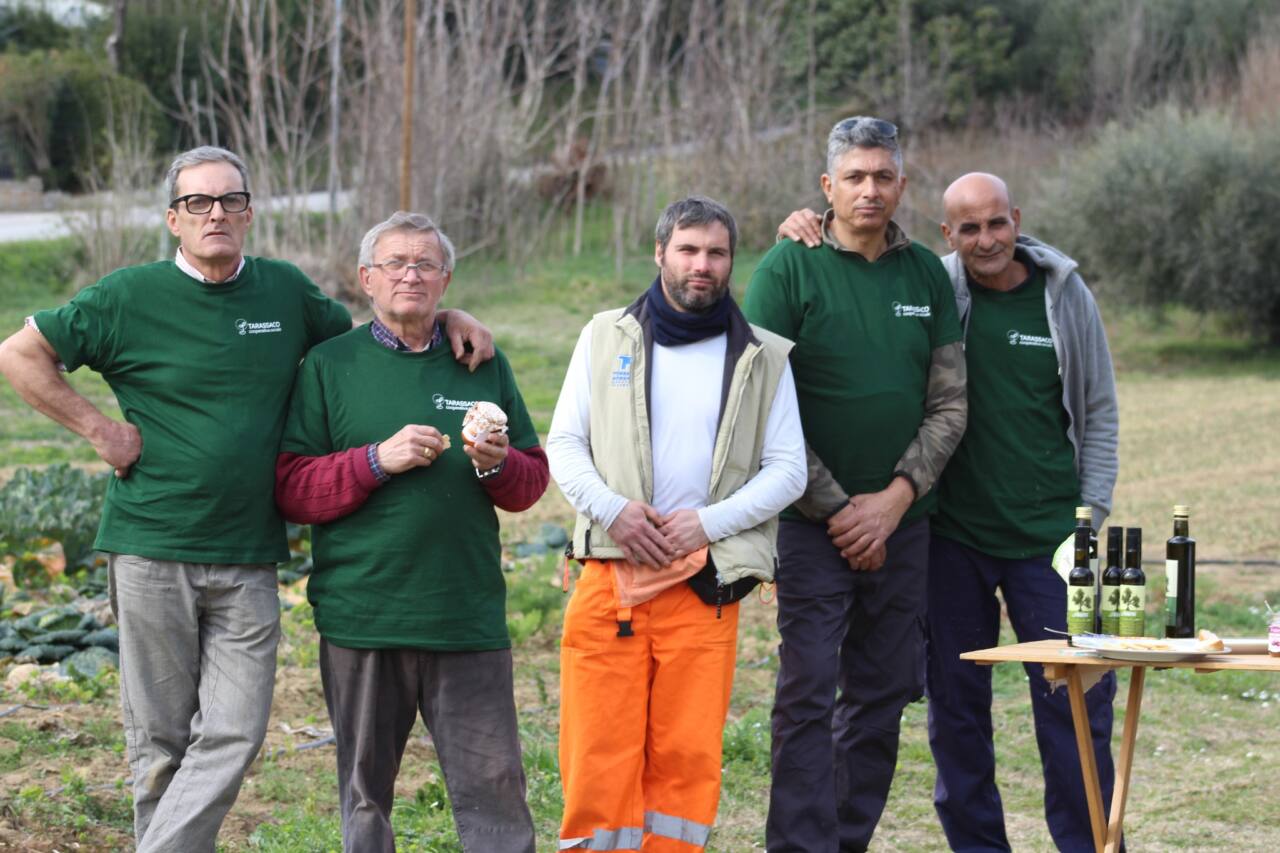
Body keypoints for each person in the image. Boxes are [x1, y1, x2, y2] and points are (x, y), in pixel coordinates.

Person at [0, 147, 493, 852]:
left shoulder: (284, 292)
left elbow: (368, 345)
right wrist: (100, 430)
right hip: (150, 546)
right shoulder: (125, 296)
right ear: (174, 219)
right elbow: (18, 353)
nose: (216, 214)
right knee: (161, 744)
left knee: (235, 730)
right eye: (198, 202)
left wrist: (445, 314)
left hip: (249, 553)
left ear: (250, 212)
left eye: (230, 200)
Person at [776, 172, 1120, 852]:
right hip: (951, 539)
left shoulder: (1063, 294)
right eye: (969, 228)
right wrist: (802, 226)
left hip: (1052, 541)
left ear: (1016, 218)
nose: (986, 239)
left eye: (996, 223)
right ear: (947, 235)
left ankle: (1092, 844)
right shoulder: (935, 287)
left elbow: (1100, 409)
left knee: (1078, 706)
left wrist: (1091, 512)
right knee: (957, 712)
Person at [274, 211, 546, 853]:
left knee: (497, 794)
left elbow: (531, 482)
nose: (410, 275)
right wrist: (375, 460)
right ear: (366, 279)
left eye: (425, 263)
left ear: (445, 279)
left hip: (465, 615)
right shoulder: (328, 365)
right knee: (366, 799)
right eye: (394, 263)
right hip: (364, 616)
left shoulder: (479, 361)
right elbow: (291, 488)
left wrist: (496, 464)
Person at [547, 196, 806, 852]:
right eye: (688, 249)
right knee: (597, 756)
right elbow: (565, 444)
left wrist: (704, 525)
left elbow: (787, 471)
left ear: (731, 262)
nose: (702, 264)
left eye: (716, 252)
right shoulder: (604, 334)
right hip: (612, 576)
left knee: (686, 761)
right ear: (660, 253)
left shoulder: (765, 356)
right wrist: (614, 510)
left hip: (705, 584)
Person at [744, 117, 967, 853]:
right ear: (827, 185)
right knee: (807, 695)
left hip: (906, 525)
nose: (869, 189)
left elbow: (950, 402)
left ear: (902, 185)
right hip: (811, 527)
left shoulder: (925, 275)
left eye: (883, 176)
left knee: (880, 695)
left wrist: (894, 500)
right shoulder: (788, 268)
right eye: (855, 176)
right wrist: (842, 511)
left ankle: (845, 841)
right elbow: (760, 405)